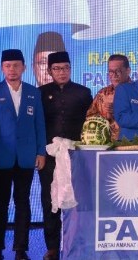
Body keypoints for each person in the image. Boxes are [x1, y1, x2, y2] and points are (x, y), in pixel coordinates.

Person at [0, 49, 46, 260]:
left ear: (24, 67)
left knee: (23, 202)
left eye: (16, 65)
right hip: (0, 157)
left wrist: (41, 152)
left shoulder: (33, 93)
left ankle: (20, 249)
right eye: (8, 66)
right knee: (0, 203)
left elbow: (40, 125)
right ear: (2, 68)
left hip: (26, 157)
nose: (12, 70)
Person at [39, 51, 92, 260]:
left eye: (66, 68)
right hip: (49, 157)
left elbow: (89, 125)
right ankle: (52, 247)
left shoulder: (83, 92)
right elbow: (37, 126)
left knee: (78, 199)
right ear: (50, 71)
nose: (62, 72)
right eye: (57, 69)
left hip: (76, 157)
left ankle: (78, 242)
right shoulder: (40, 93)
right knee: (49, 200)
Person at [86, 54, 131, 141]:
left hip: (130, 145)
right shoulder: (102, 94)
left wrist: (118, 112)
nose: (114, 75)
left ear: (128, 71)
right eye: (111, 71)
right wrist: (107, 116)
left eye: (118, 71)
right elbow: (90, 119)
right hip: (105, 146)